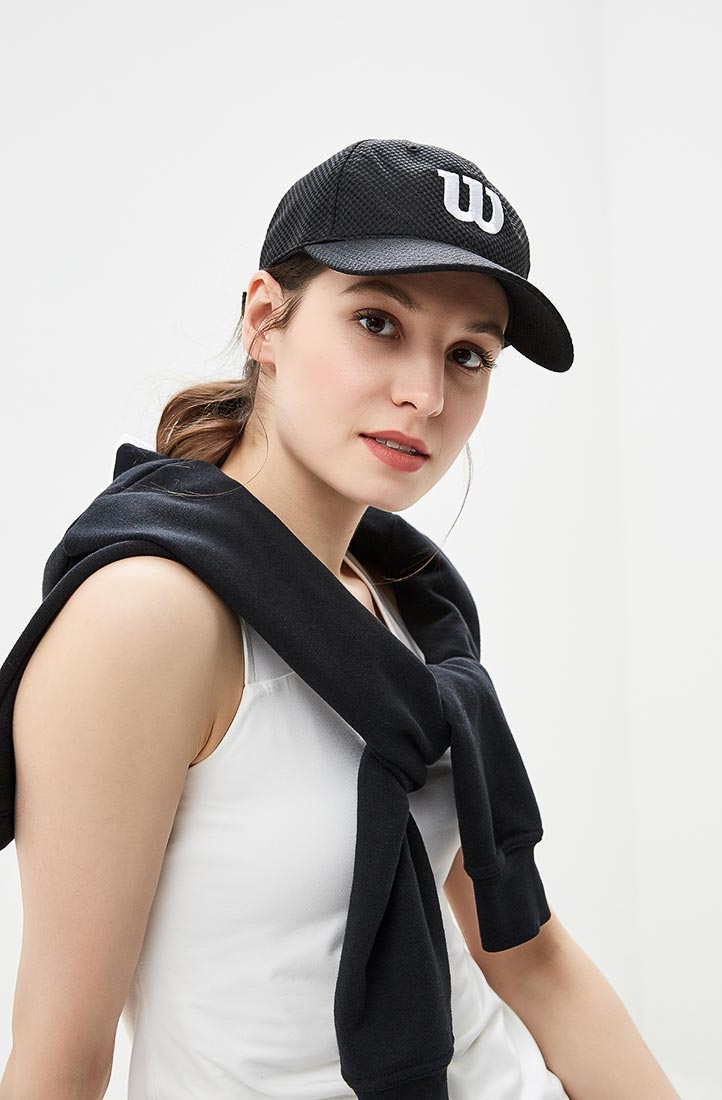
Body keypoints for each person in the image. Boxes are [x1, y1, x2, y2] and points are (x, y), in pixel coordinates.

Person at [0, 139, 680, 1100]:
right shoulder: (147, 616)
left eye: (469, 354)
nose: (425, 395)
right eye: (377, 322)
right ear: (264, 319)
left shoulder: (408, 607)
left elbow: (533, 958)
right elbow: (62, 1058)